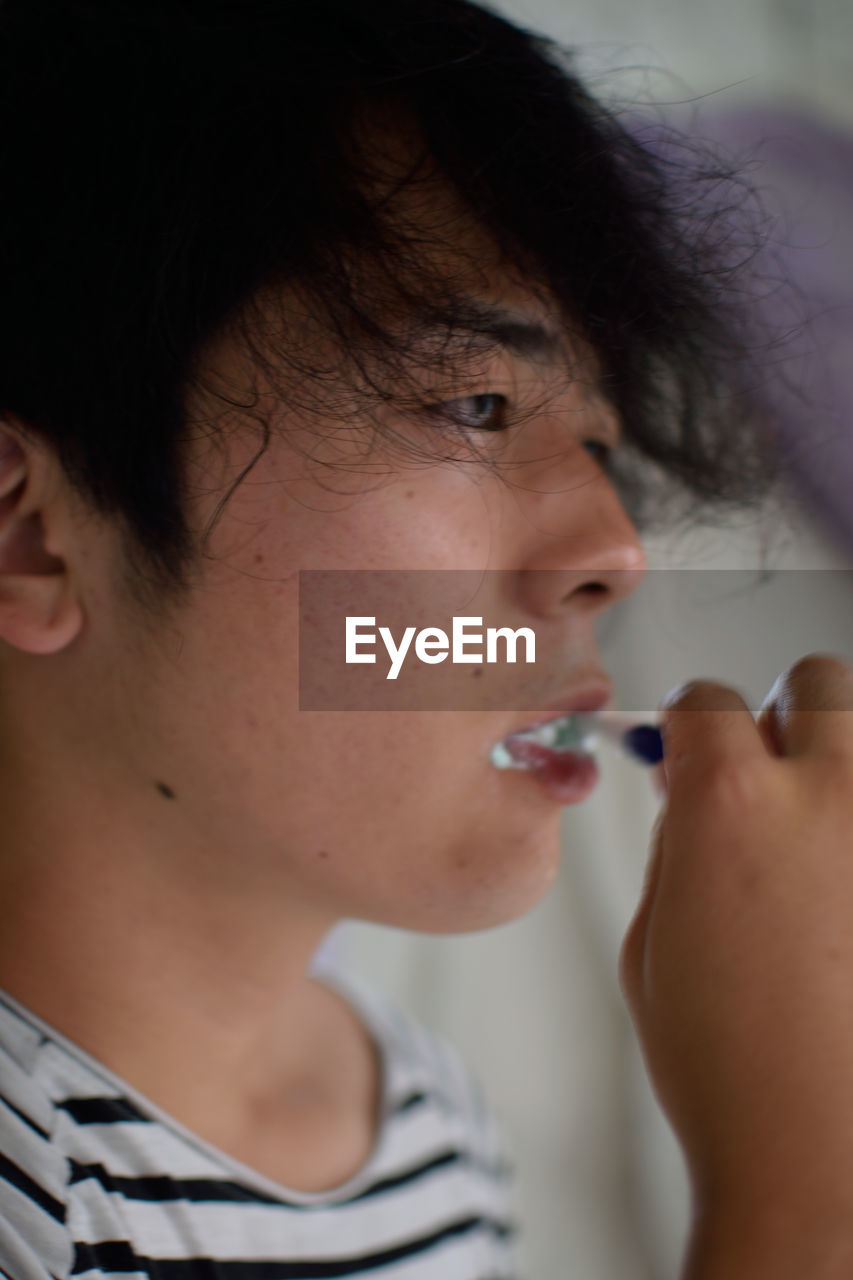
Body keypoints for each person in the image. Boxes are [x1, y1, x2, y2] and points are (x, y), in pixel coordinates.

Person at [1, 0, 851, 1276]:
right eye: (474, 401)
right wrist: (797, 1182)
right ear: (35, 540)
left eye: (602, 450)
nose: (613, 550)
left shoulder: (417, 1112)